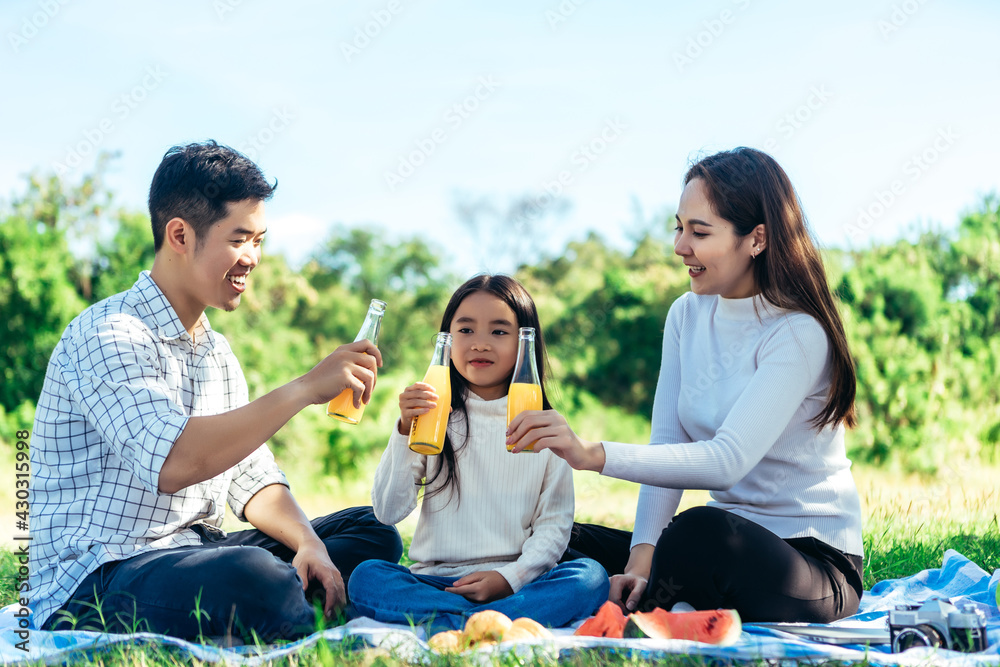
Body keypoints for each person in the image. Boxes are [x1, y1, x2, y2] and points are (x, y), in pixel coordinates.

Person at [29, 140, 402, 641]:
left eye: (259, 239)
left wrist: (310, 543)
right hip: (99, 575)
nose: (253, 258)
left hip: (193, 552)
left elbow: (252, 479)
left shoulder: (216, 352)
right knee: (249, 573)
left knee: (370, 532)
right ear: (180, 235)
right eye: (239, 238)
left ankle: (299, 596)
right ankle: (309, 605)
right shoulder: (108, 334)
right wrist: (305, 388)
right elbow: (175, 463)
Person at [507, 147, 864, 624]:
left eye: (699, 232)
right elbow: (669, 442)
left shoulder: (797, 333)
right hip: (708, 548)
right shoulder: (686, 314)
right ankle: (649, 594)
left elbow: (725, 463)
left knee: (698, 533)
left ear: (756, 239)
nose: (680, 246)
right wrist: (640, 555)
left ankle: (644, 606)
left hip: (808, 564)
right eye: (679, 227)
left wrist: (592, 454)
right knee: (550, 533)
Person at [348, 275, 609, 631]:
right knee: (368, 576)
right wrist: (404, 430)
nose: (480, 344)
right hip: (438, 582)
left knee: (590, 577)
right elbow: (388, 511)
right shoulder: (433, 417)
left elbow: (553, 526)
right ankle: (484, 622)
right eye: (466, 331)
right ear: (447, 340)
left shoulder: (545, 428)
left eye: (499, 332)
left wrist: (509, 577)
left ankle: (451, 621)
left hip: (515, 583)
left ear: (525, 343)